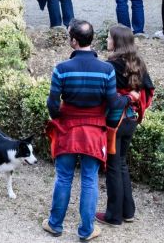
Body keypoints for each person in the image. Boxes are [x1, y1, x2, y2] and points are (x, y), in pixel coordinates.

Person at [42, 20, 120, 242]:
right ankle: (86, 230)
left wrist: (59, 119)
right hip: (94, 131)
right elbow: (113, 103)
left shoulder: (61, 69)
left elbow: (53, 104)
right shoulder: (107, 70)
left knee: (64, 177)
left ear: (74, 41)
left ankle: (55, 224)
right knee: (89, 179)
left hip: (68, 129)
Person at [97, 25, 153, 227]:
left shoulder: (110, 66)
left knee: (113, 167)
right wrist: (132, 97)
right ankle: (128, 211)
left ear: (117, 42)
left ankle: (113, 215)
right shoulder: (139, 63)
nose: (107, 41)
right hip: (131, 119)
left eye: (109, 38)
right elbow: (148, 90)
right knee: (121, 164)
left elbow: (105, 97)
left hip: (114, 122)